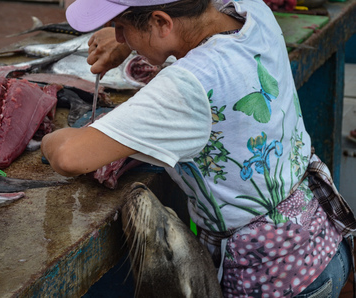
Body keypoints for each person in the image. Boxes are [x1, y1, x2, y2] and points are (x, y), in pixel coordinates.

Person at [41, 0, 354, 296]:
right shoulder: (251, 10)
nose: (119, 35)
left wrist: (51, 138)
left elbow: (70, 156)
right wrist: (127, 41)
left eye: (122, 25)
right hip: (323, 242)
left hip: (273, 281)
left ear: (161, 22)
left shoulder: (188, 85)